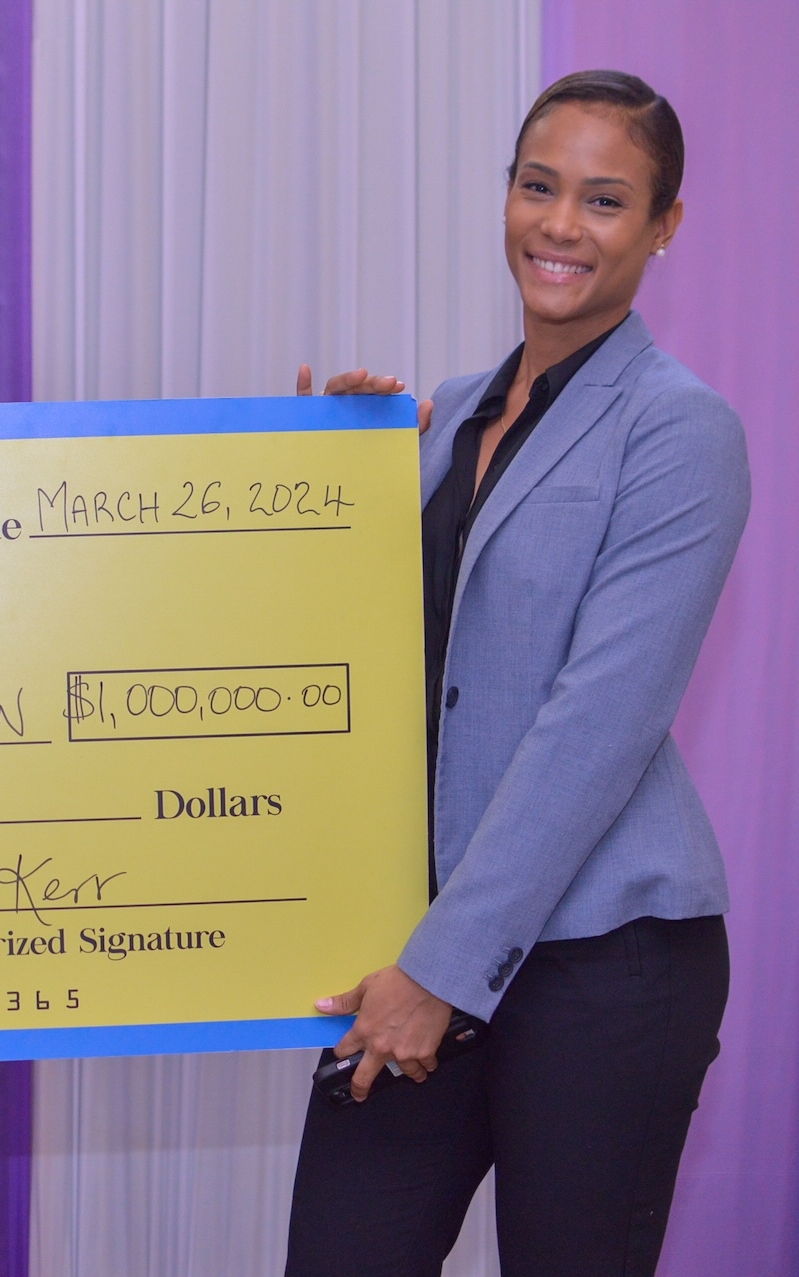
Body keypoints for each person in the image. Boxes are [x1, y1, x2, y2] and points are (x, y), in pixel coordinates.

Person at [283, 71, 749, 1276]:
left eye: (605, 200)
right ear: (506, 195)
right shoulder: (438, 420)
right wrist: (312, 481)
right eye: (539, 187)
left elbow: (595, 723)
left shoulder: (680, 429)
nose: (560, 225)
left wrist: (441, 969)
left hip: (604, 967)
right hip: (426, 942)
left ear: (663, 226)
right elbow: (372, 671)